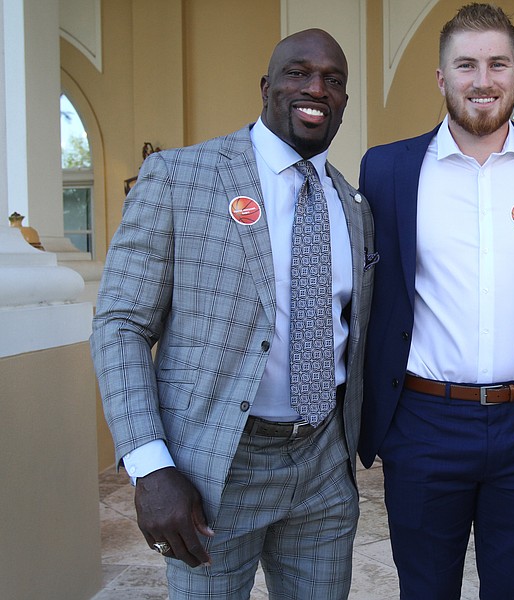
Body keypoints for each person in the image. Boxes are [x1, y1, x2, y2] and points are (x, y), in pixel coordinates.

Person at [90, 29, 374, 600]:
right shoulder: (179, 178)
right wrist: (150, 467)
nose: (315, 87)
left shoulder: (353, 205)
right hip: (214, 471)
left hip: (323, 466)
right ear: (267, 87)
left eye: (333, 80)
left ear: (343, 100)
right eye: (298, 72)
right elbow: (120, 325)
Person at [357, 4, 514, 599]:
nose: (482, 80)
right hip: (425, 422)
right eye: (466, 65)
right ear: (441, 78)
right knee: (425, 590)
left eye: (497, 64)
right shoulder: (387, 170)